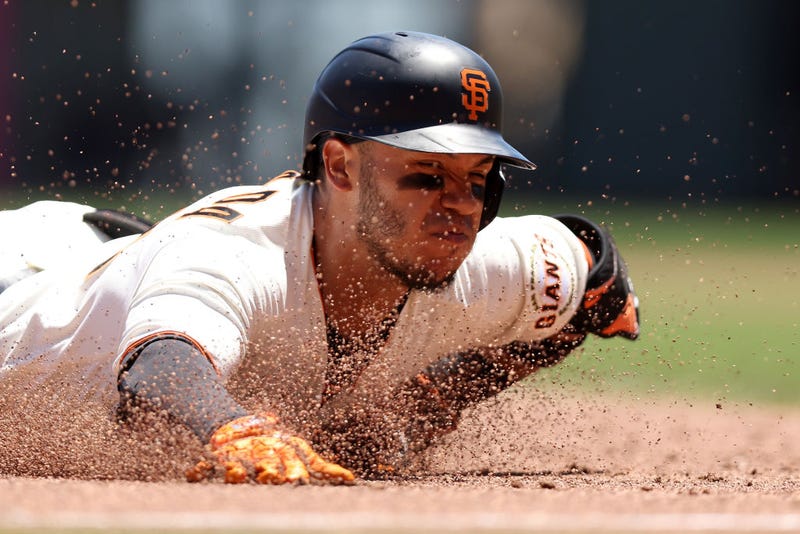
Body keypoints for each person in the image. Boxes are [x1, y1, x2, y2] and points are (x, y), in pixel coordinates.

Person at [0, 31, 639, 485]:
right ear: (338, 164)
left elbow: (593, 278)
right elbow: (156, 374)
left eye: (478, 179)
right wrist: (235, 430)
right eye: (424, 175)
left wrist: (425, 405)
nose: (459, 206)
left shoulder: (481, 265)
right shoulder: (240, 253)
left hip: (113, 259)